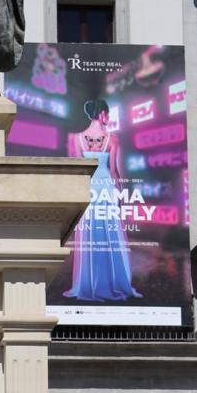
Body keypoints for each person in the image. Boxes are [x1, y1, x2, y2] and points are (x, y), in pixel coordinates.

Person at [64, 100, 142, 305]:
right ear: (102, 114)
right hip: (106, 188)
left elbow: (80, 171)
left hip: (89, 189)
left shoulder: (78, 139)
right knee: (110, 236)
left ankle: (89, 284)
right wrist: (122, 195)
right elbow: (115, 171)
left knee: (90, 235)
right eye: (107, 114)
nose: (108, 117)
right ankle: (112, 282)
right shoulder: (111, 139)